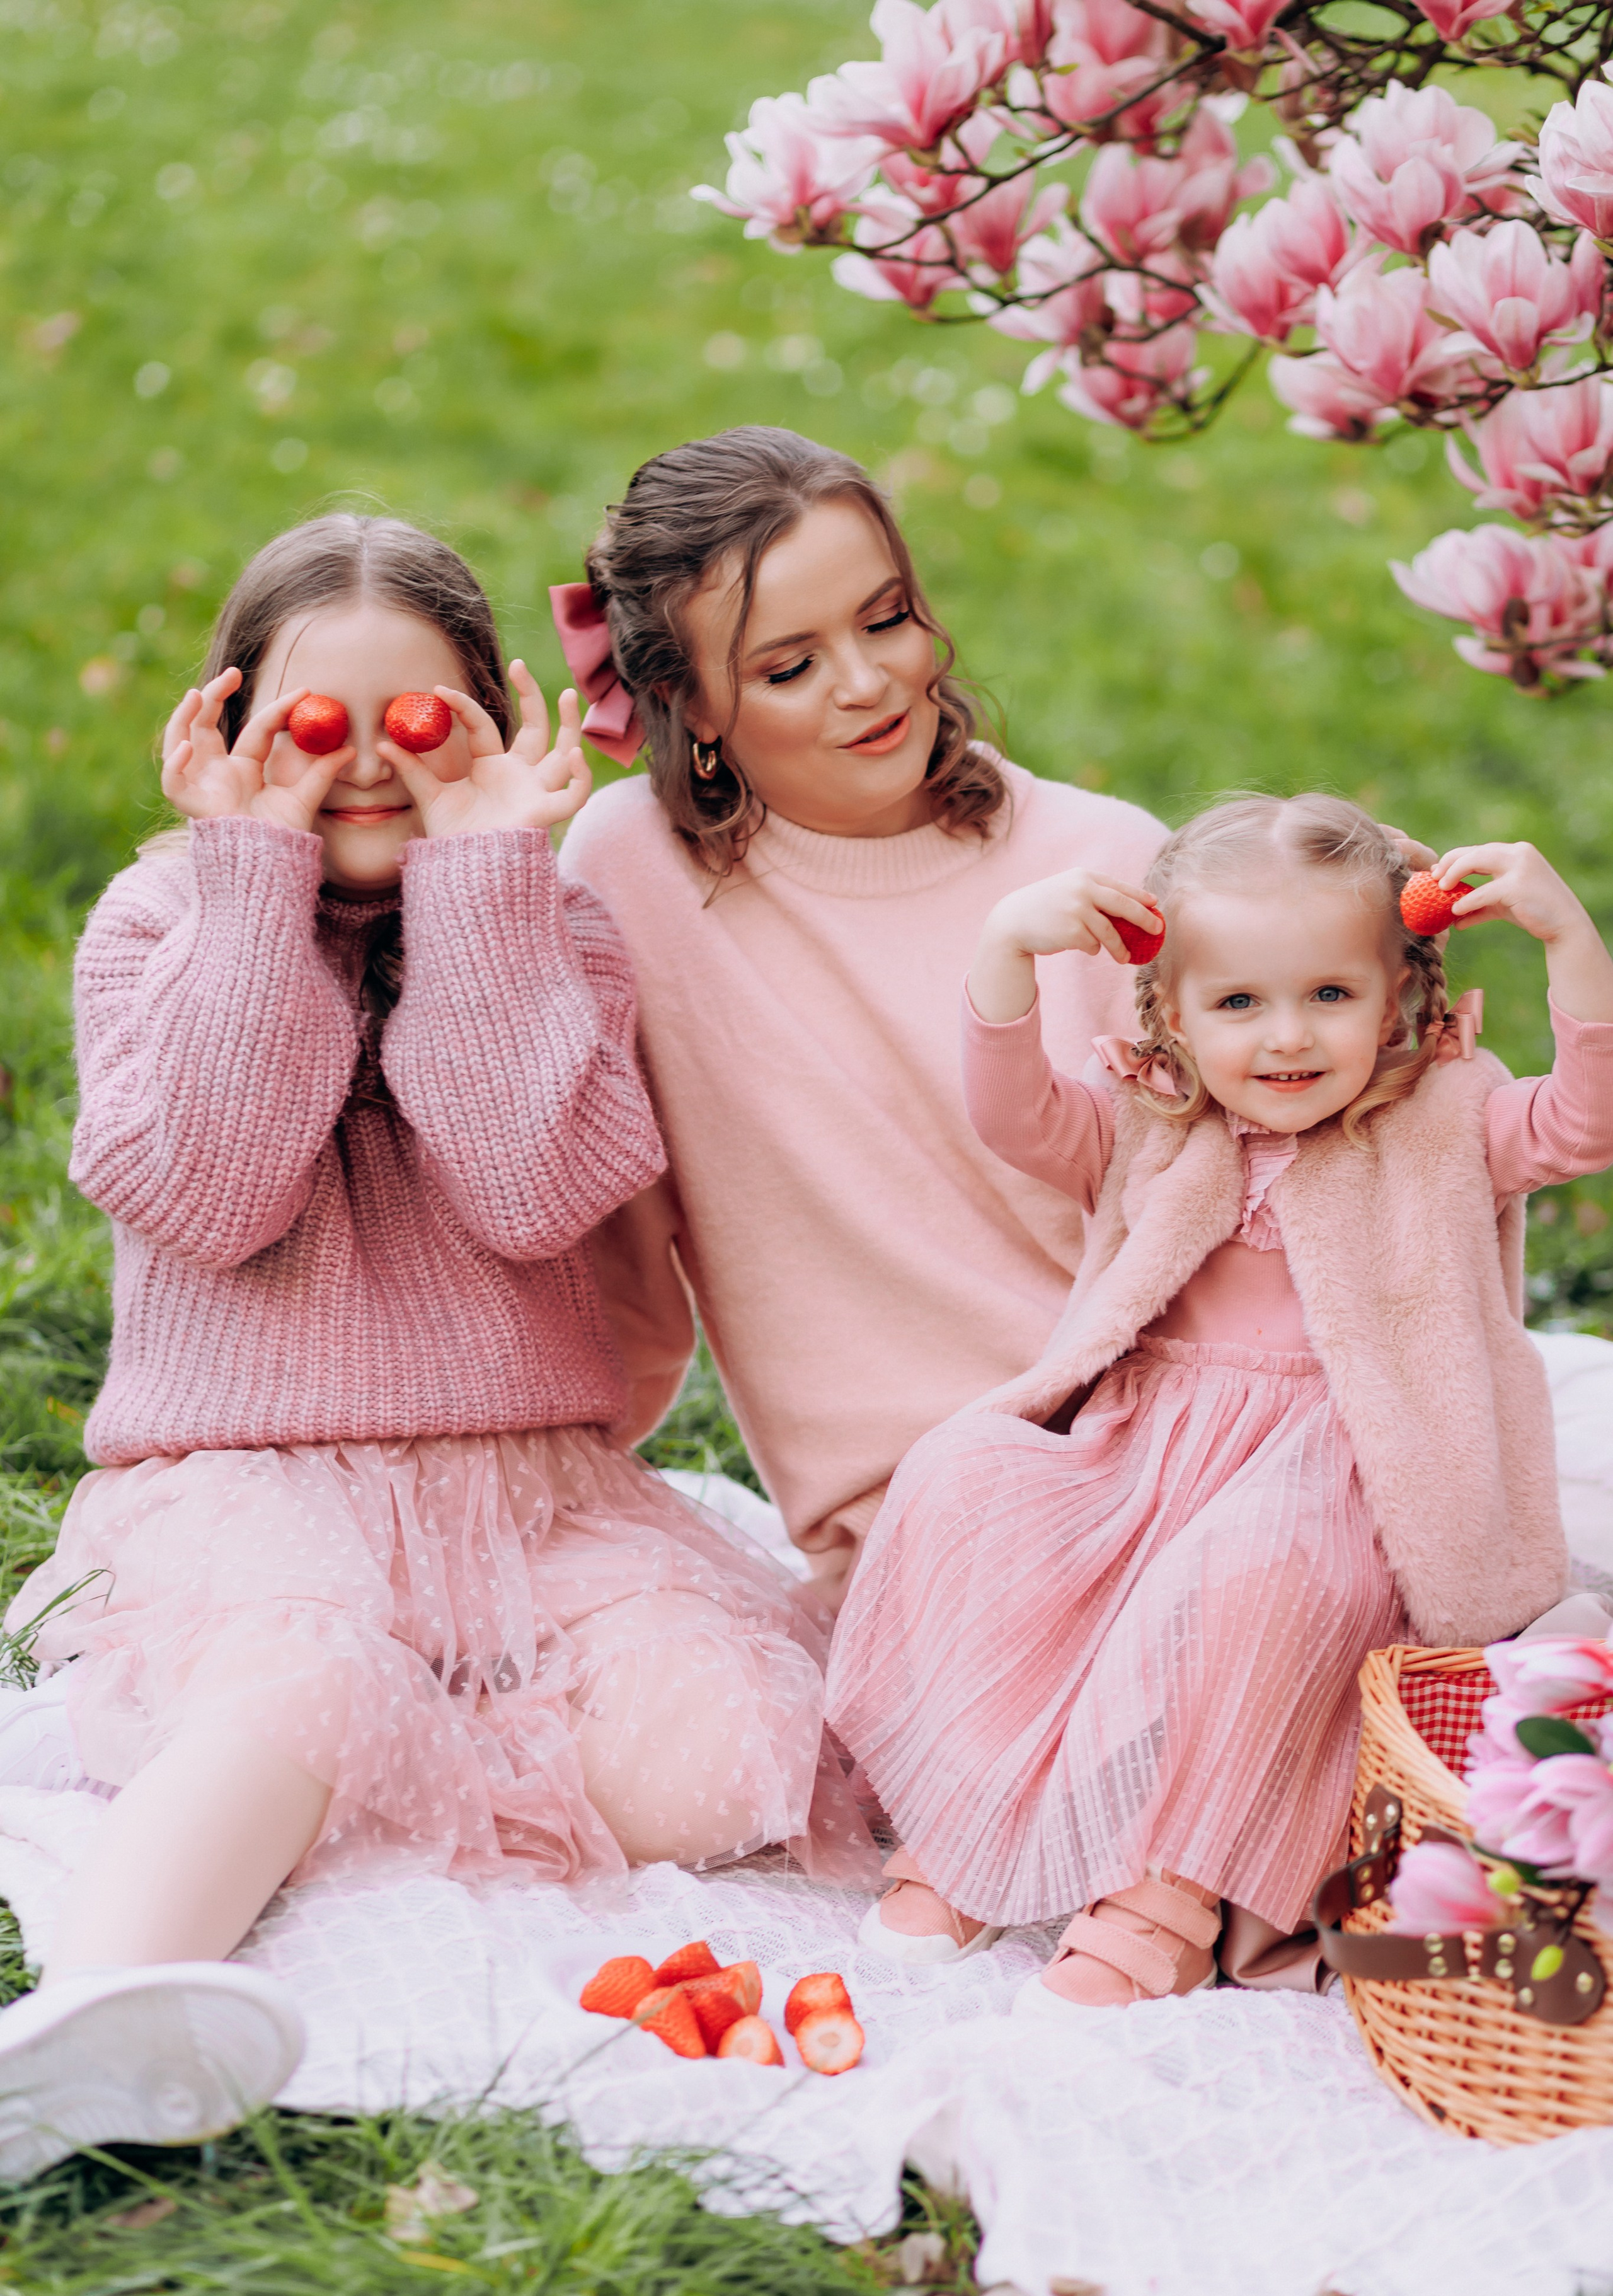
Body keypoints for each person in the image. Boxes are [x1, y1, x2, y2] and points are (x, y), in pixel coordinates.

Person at [0, 512, 869, 2181]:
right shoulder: (157, 922)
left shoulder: (558, 930)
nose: (368, 771)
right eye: (317, 730)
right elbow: (213, 1188)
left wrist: (484, 885)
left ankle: (370, 1763)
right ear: (235, 727)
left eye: (421, 727)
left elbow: (530, 1188)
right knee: (302, 1677)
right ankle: (92, 2023)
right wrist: (252, 881)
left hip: (530, 1493)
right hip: (250, 1482)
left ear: (495, 720)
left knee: (727, 1750)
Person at [825, 794, 1613, 2011]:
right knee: (971, 1486)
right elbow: (1013, 1118)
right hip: (1148, 1442)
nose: (1286, 1038)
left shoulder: (1445, 1119)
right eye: (1238, 1003)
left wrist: (1571, 942)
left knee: (1249, 1581)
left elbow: (1584, 1123)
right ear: (1172, 1016)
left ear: (1399, 998)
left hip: (1346, 1458)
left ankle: (1166, 1892)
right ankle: (975, 1821)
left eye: (1330, 996)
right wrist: (1005, 956)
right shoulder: (1157, 1115)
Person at [555, 425, 1165, 1605]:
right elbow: (610, 1259)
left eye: (885, 619)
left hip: (1172, 1457)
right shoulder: (632, 875)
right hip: (912, 1532)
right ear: (691, 707)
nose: (868, 681)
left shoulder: (1106, 862)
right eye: (789, 667)